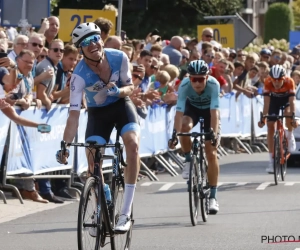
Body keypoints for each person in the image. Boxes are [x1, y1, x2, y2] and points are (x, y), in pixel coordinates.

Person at [55, 23, 140, 234]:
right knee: (93, 160)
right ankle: (98, 204)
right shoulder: (79, 76)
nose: (92, 44)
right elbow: (74, 114)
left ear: (101, 39)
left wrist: (118, 91)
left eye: (95, 38)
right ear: (80, 49)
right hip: (97, 114)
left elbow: (131, 87)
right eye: (86, 42)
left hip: (121, 105)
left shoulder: (119, 57)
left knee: (133, 144)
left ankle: (125, 212)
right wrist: (64, 144)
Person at [169, 60, 221, 214]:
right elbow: (179, 113)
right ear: (189, 78)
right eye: (194, 79)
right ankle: (188, 159)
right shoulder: (184, 85)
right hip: (193, 110)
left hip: (209, 113)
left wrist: (214, 133)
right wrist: (174, 134)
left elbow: (215, 113)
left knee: (211, 152)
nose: (197, 83)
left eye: (201, 79)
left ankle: (213, 197)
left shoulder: (214, 85)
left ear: (207, 77)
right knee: (184, 127)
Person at [258, 64, 297, 173]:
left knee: (288, 114)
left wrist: (293, 116)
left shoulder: (290, 82)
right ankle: (271, 162)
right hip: (273, 102)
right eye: (274, 80)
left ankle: (289, 135)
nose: (276, 82)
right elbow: (266, 103)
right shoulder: (267, 82)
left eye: (279, 80)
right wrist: (263, 118)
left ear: (284, 78)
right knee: (270, 127)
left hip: (286, 101)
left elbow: (292, 101)